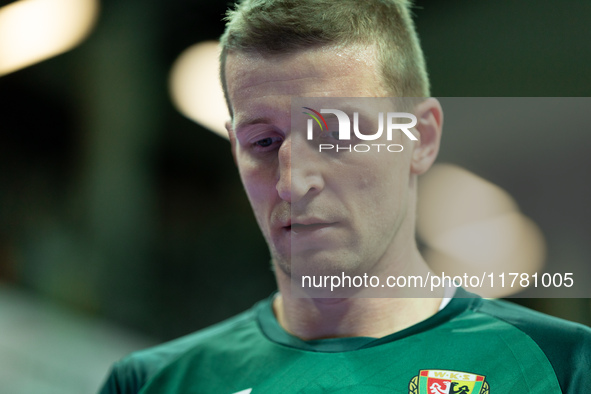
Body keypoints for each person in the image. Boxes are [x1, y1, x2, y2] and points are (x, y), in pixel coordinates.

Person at [99, 0, 591, 393]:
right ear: (235, 149)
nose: (292, 182)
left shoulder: (563, 368)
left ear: (419, 139)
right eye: (264, 143)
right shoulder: (151, 384)